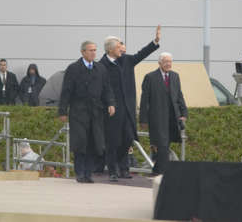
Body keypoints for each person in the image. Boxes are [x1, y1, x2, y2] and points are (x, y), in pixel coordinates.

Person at [99, 26, 160, 181]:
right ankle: (113, 170)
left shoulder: (127, 60)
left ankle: (124, 168)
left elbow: (141, 54)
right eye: (120, 46)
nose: (123, 49)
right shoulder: (102, 66)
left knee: (128, 139)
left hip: (128, 108)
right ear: (111, 49)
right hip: (112, 110)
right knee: (113, 141)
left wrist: (155, 42)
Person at [59, 41, 115, 183]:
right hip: (78, 111)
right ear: (83, 52)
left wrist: (111, 103)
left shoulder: (100, 69)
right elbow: (66, 91)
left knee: (93, 142)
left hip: (96, 112)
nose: (93, 53)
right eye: (90, 50)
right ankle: (80, 172)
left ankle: (88, 173)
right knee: (80, 142)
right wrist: (62, 111)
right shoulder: (73, 68)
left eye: (95, 50)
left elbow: (107, 89)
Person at [139, 52, 188, 175]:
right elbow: (144, 100)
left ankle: (157, 171)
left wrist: (184, 113)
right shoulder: (150, 77)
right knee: (161, 145)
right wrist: (143, 120)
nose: (168, 64)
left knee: (165, 145)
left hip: (172, 118)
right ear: (160, 63)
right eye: (166, 61)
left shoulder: (175, 76)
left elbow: (179, 96)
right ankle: (163, 173)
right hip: (157, 118)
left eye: (170, 61)